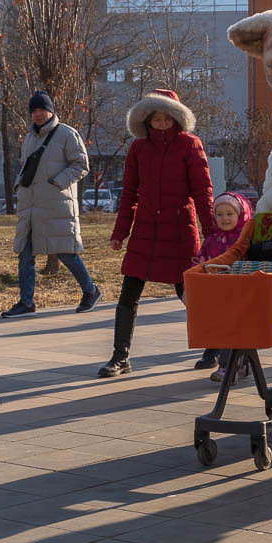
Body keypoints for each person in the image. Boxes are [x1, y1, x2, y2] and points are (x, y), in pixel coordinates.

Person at [99, 89, 216, 377]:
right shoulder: (139, 148)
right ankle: (120, 357)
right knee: (129, 293)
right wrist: (120, 232)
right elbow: (129, 193)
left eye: (167, 118)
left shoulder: (190, 145)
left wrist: (213, 232)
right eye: (156, 119)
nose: (162, 123)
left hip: (180, 230)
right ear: (146, 120)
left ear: (177, 118)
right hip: (145, 231)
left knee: (189, 293)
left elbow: (202, 191)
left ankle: (216, 346)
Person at [2, 91, 103, 319]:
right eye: (34, 110)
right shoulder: (29, 137)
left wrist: (58, 182)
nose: (38, 114)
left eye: (42, 109)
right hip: (30, 205)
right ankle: (26, 302)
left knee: (66, 252)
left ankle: (91, 291)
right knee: (25, 253)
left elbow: (81, 165)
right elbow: (25, 165)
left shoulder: (67, 134)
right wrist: (20, 185)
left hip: (57, 205)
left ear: (50, 110)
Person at [193, 191, 253, 383]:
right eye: (220, 214)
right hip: (218, 293)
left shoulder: (245, 239)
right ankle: (243, 365)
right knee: (227, 331)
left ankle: (227, 368)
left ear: (241, 214)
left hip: (241, 292)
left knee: (233, 330)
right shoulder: (212, 239)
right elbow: (202, 260)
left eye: (229, 213)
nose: (224, 218)